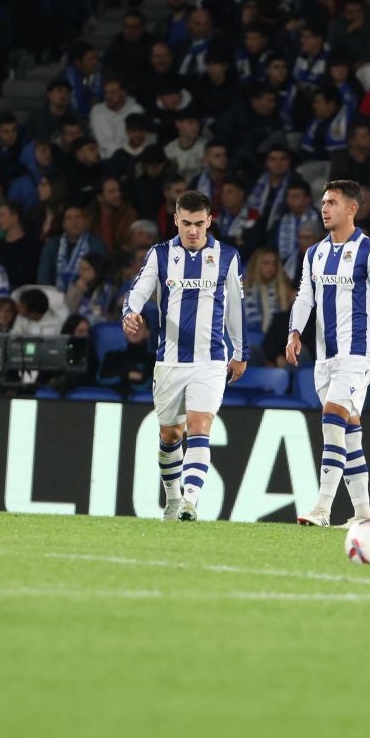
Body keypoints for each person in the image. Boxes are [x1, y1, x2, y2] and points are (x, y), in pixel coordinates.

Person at [285, 179, 370, 526]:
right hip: (325, 357)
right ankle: (363, 515)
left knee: (332, 418)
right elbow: (304, 297)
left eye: (332, 202)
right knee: (349, 431)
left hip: (358, 355)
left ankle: (322, 509)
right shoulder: (314, 253)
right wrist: (294, 332)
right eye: (323, 202)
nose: (324, 208)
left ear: (352, 208)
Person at [122, 190, 246, 522]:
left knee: (199, 425)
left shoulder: (227, 256)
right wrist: (130, 313)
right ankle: (173, 497)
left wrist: (240, 351)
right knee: (170, 435)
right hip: (170, 361)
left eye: (199, 224)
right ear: (176, 220)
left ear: (209, 221)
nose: (193, 231)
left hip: (211, 360)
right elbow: (138, 291)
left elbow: (235, 308)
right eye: (186, 223)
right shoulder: (160, 255)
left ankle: (190, 500)